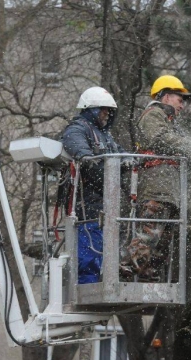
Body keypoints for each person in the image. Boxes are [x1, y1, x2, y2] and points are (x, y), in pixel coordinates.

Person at [120, 75, 191, 281]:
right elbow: (161, 140)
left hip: (169, 190)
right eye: (180, 100)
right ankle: (126, 266)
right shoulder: (153, 115)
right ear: (167, 96)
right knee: (149, 232)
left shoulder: (169, 123)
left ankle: (148, 273)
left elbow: (177, 148)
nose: (182, 106)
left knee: (163, 240)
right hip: (156, 187)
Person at [60, 87, 123, 284]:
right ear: (91, 109)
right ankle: (86, 284)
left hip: (104, 203)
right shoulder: (79, 128)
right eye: (103, 110)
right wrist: (85, 156)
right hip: (86, 204)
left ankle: (95, 281)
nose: (106, 114)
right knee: (88, 249)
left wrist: (133, 160)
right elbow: (73, 141)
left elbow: (120, 153)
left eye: (108, 111)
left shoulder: (106, 136)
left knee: (101, 248)